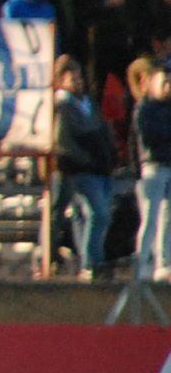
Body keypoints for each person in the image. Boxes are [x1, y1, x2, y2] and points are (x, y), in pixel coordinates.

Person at [52, 58, 116, 281]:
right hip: (82, 169)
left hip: (101, 167)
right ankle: (91, 262)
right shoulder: (63, 107)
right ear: (61, 80)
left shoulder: (88, 103)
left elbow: (103, 131)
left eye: (79, 76)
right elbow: (68, 141)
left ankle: (86, 261)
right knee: (99, 214)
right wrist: (85, 160)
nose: (79, 82)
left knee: (84, 216)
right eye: (73, 78)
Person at [133, 66, 171, 282]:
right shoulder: (144, 108)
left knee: (168, 217)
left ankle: (164, 262)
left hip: (169, 164)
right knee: (150, 217)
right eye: (164, 82)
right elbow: (149, 138)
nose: (168, 87)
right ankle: (142, 261)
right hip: (154, 166)